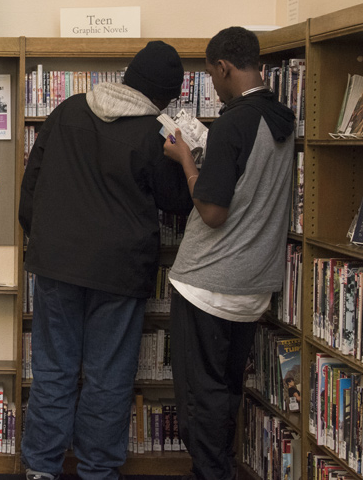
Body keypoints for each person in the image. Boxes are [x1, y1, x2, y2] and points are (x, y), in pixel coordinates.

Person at [20, 40, 193, 480]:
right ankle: (98, 472)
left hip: (56, 264)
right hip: (119, 271)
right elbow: (177, 203)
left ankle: (41, 469)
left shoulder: (68, 110)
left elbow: (31, 185)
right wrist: (186, 154)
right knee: (107, 378)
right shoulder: (154, 133)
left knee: (53, 372)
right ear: (164, 95)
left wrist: (44, 240)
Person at [162, 26, 295, 480]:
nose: (215, 91)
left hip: (207, 284)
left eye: (213, 79)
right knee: (225, 394)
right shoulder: (282, 118)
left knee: (199, 404)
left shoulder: (234, 122)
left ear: (222, 68)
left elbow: (213, 211)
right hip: (252, 286)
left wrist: (186, 161)